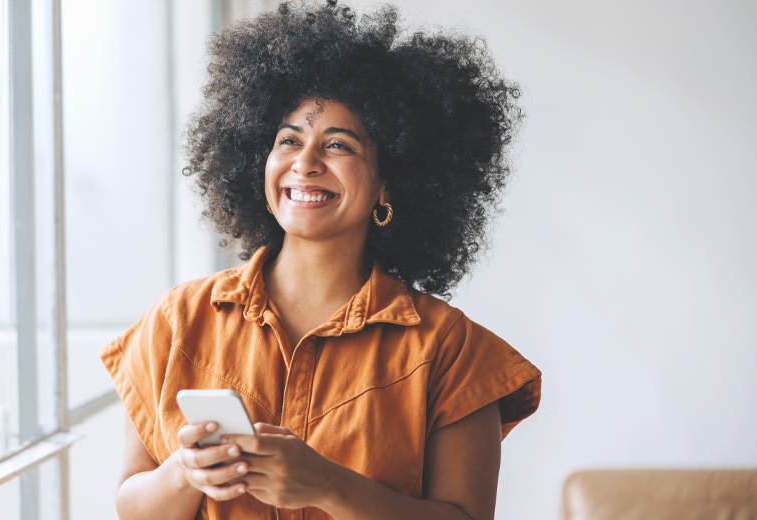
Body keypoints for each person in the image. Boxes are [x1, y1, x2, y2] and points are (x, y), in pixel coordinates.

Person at [100, 2, 541, 519]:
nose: (304, 164)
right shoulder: (178, 321)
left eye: (339, 145)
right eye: (289, 140)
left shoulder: (450, 350)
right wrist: (184, 473)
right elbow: (131, 507)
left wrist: (329, 486)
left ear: (386, 185)